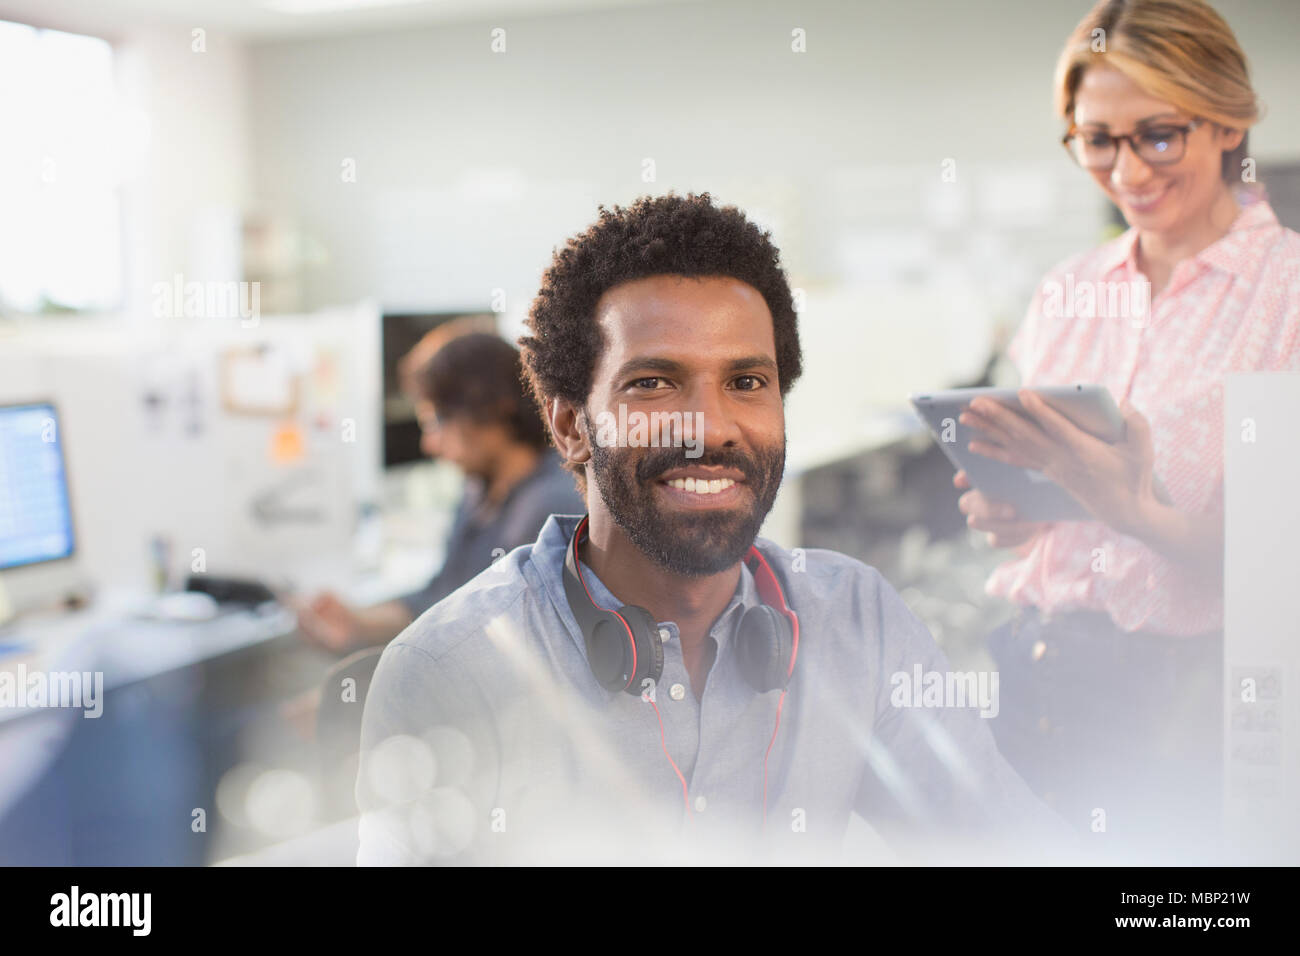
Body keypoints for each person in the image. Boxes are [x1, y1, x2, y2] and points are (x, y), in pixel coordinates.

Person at [355, 193, 1071, 865]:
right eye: (654, 383)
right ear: (571, 425)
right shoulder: (451, 670)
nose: (712, 428)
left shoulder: (855, 620)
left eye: (747, 383)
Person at [953, 0, 1299, 849]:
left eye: (1156, 135)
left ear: (1226, 121)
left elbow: (1279, 564)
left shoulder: (1287, 295)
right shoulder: (1067, 290)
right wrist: (1015, 511)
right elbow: (1046, 505)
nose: (1126, 170)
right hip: (1033, 674)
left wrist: (1134, 511)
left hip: (1189, 708)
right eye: (1096, 139)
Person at [296, 331, 585, 654]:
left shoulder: (550, 505)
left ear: (493, 407)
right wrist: (358, 622)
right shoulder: (478, 488)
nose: (428, 443)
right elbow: (443, 598)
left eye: (437, 420)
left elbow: (488, 642)